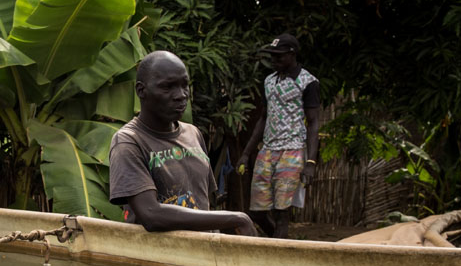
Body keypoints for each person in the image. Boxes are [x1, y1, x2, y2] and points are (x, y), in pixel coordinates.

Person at [109, 51, 255, 236]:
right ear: (141, 90)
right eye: (167, 87)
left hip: (204, 253)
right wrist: (236, 218)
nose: (181, 95)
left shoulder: (193, 134)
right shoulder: (129, 142)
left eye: (184, 85)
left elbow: (205, 202)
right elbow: (151, 215)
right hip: (161, 258)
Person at [236, 33, 321, 239]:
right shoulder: (269, 81)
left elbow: (313, 122)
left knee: (282, 211)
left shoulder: (308, 82)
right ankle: (280, 242)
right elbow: (263, 119)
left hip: (292, 150)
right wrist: (246, 154)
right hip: (267, 150)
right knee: (256, 211)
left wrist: (310, 161)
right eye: (272, 56)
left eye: (279, 56)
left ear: (292, 54)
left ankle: (278, 250)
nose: (274, 60)